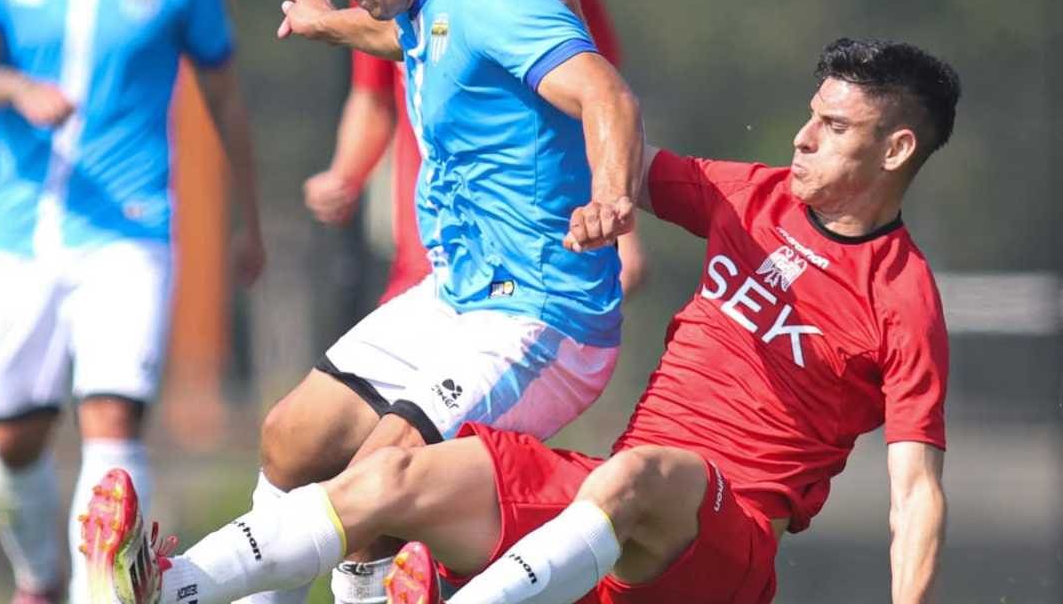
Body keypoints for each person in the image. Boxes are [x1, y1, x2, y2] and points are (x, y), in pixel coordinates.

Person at [83, 35, 960, 604]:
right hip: (605, 513)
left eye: (835, 126)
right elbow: (615, 153)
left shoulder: (905, 298)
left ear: (894, 150)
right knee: (394, 475)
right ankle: (170, 587)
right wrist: (553, 45)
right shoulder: (753, 196)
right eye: (810, 115)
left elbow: (915, 495)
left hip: (722, 546)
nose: (803, 137)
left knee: (643, 472)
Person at [84, 0, 644, 604]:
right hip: (456, 297)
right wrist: (325, 24)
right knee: (292, 435)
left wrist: (611, 196)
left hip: (543, 312)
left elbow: (604, 91)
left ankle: (172, 587)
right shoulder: (433, 3)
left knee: (383, 474)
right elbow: (410, 37)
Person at [0, 0, 265, 602]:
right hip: (21, 233)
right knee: (14, 436)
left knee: (112, 425)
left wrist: (248, 219)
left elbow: (225, 101)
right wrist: (17, 87)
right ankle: (39, 575)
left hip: (131, 229)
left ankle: (105, 594)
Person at [303, 0, 648, 304]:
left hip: (525, 271)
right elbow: (374, 94)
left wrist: (619, 219)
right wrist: (345, 174)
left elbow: (600, 93)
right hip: (431, 258)